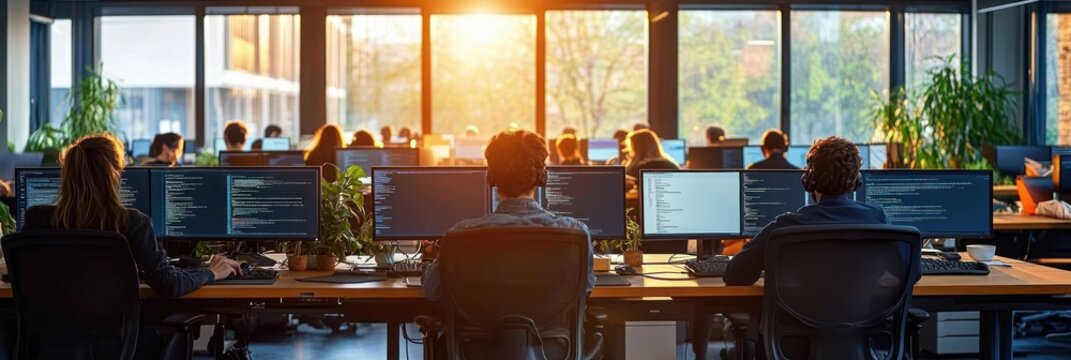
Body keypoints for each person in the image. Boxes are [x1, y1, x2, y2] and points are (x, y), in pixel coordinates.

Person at [21, 134, 242, 357]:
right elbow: (169, 284)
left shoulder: (37, 219)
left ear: (66, 174)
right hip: (117, 346)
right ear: (115, 175)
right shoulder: (130, 223)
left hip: (47, 344)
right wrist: (211, 272)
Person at [422, 129, 594, 358]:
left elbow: (432, 290)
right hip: (553, 349)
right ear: (543, 177)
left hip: (476, 350)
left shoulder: (462, 235)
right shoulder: (574, 234)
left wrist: (432, 257)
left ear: (490, 177)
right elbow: (586, 287)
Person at [726, 136, 888, 284]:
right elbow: (912, 270)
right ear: (856, 182)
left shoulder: (786, 226)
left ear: (809, 180)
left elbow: (734, 275)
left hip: (793, 317)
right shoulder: (877, 219)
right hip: (865, 316)